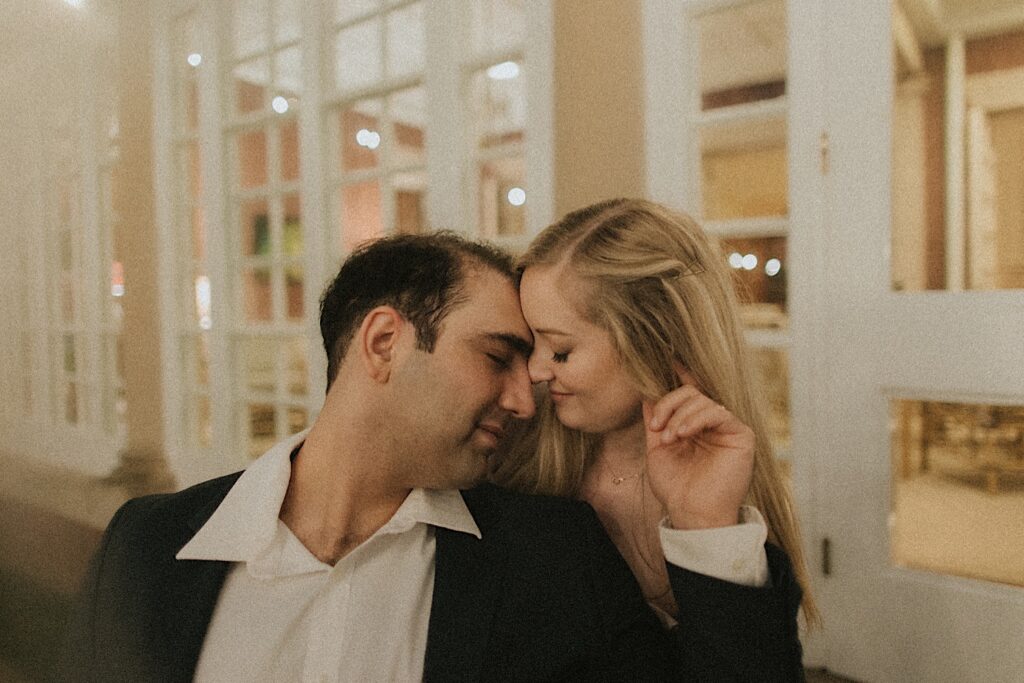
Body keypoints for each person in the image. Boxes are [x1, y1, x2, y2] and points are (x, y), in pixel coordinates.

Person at [61, 230, 802, 682]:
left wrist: (705, 523)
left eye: (542, 359)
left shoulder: (554, 557)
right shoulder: (146, 545)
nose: (525, 397)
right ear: (385, 343)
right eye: (497, 356)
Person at [494, 197, 815, 669]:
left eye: (560, 351)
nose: (537, 371)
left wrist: (707, 528)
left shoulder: (729, 486)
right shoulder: (512, 468)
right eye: (530, 345)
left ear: (655, 339)